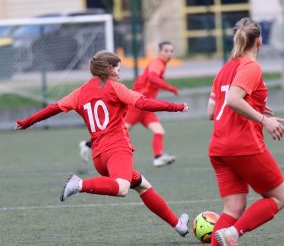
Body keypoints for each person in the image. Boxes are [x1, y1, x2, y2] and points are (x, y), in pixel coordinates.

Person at [15, 50, 190, 238]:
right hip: (117, 149)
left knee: (143, 186)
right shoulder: (115, 87)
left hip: (99, 157)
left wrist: (28, 122)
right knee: (122, 188)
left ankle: (178, 225)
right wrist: (176, 107)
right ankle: (78, 184)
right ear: (108, 69)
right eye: (118, 69)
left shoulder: (80, 92)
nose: (119, 74)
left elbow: (53, 108)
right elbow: (143, 103)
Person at [207, 17, 284, 246]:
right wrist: (265, 120)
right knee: (278, 197)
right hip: (243, 146)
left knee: (233, 207)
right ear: (259, 41)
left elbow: (211, 111)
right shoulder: (251, 66)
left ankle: (227, 234)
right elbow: (233, 99)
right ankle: (235, 233)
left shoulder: (225, 68)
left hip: (218, 147)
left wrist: (254, 105)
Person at [80, 41, 180, 167]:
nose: (169, 54)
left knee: (159, 131)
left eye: (171, 51)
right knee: (117, 131)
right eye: (166, 51)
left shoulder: (162, 64)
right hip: (138, 105)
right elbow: (153, 77)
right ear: (159, 52)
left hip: (146, 107)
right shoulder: (157, 63)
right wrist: (171, 89)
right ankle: (88, 145)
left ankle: (158, 157)